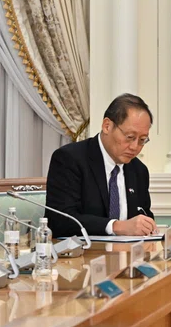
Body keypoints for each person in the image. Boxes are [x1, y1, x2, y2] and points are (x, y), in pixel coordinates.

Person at [46, 94, 156, 238]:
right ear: (107, 126)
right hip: (84, 255)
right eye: (130, 137)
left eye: (142, 140)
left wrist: (147, 226)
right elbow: (60, 221)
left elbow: (143, 215)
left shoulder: (138, 170)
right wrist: (115, 226)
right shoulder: (70, 159)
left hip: (128, 256)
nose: (135, 147)